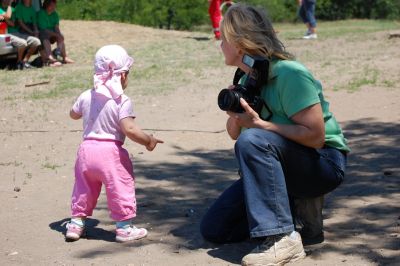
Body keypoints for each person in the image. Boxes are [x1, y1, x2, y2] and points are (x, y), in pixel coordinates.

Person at [200, 3, 349, 266]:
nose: (219, 44)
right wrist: (237, 112)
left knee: (253, 140)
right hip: (281, 163)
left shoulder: (290, 73)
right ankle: (295, 213)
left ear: (239, 44)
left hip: (323, 162)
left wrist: (260, 125)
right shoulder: (249, 78)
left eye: (223, 39)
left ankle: (283, 238)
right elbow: (236, 135)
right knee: (215, 229)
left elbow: (315, 137)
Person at [66, 45, 163, 242]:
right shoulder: (121, 100)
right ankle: (124, 228)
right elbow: (130, 129)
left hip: (86, 152)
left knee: (84, 188)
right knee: (120, 187)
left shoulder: (87, 95)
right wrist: (149, 141)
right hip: (111, 153)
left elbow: (73, 114)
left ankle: (76, 224)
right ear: (124, 75)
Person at [37, 0, 74, 64]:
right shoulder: (41, 14)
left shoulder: (55, 14)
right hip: (43, 33)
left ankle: (64, 56)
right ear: (46, 6)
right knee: (45, 38)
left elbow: (56, 27)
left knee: (61, 36)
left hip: (52, 33)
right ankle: (50, 56)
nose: (53, 8)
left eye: (54, 6)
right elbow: (44, 29)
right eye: (51, 6)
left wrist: (59, 35)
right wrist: (56, 35)